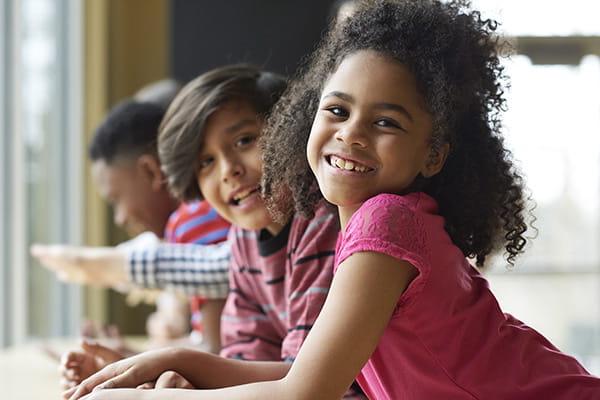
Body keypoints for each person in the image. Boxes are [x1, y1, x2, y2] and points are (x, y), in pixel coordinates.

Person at [65, 1, 600, 399]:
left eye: (386, 121)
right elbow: (308, 370)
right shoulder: (373, 225)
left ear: (433, 154)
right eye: (337, 111)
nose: (352, 134)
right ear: (305, 117)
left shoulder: (385, 224)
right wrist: (176, 359)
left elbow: (305, 392)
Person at [64, 63, 366, 399]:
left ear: (290, 131)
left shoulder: (323, 220)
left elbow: (307, 379)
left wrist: (179, 367)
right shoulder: (245, 240)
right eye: (206, 162)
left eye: (245, 140)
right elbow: (246, 356)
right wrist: (169, 377)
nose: (229, 170)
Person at [43, 98, 231, 389]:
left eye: (116, 199)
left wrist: (128, 365)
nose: (120, 218)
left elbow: (219, 351)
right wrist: (126, 357)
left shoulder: (195, 219)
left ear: (151, 172)